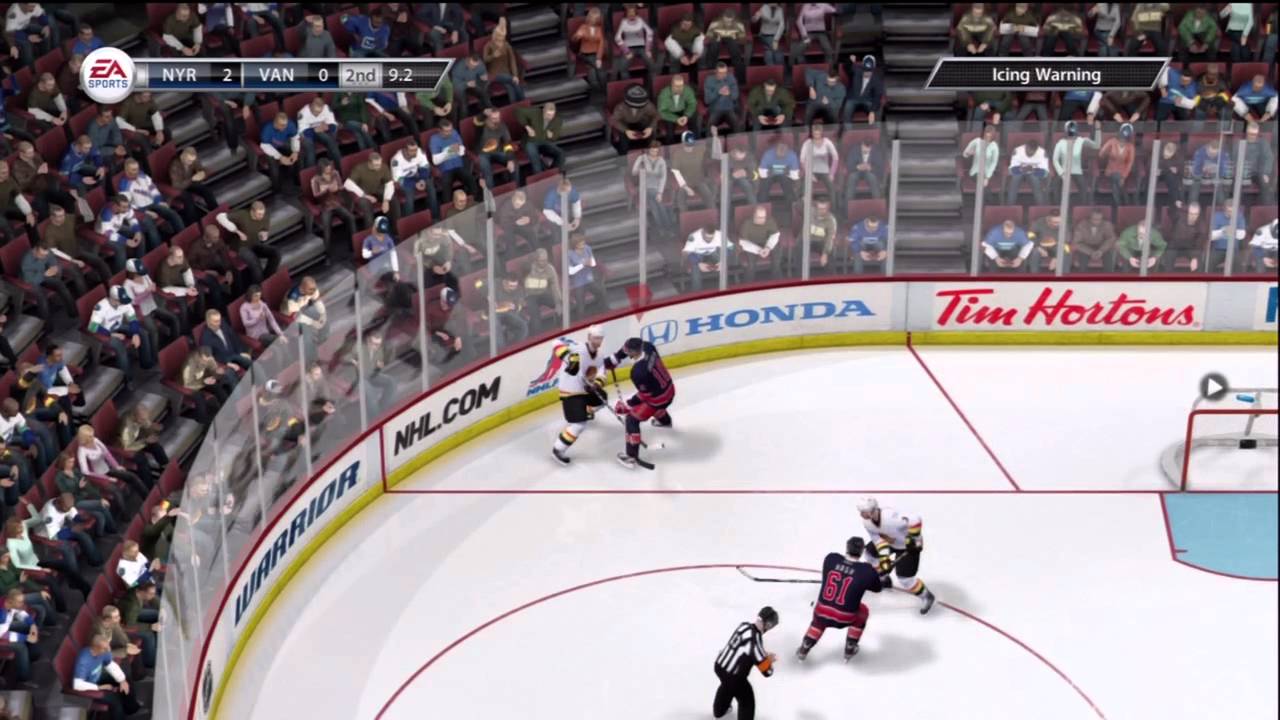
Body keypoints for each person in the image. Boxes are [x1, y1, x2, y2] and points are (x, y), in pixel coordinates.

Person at [795, 536, 884, 663]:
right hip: (845, 618)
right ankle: (850, 648)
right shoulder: (866, 571)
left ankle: (805, 647)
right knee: (863, 611)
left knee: (820, 618)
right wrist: (877, 574)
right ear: (861, 551)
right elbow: (878, 588)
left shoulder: (831, 559)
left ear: (847, 547)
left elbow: (842, 571)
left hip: (821, 612)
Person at [857, 497, 935, 613]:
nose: (861, 515)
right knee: (869, 553)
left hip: (908, 547)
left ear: (872, 510)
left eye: (864, 512)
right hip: (891, 543)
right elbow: (878, 540)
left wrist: (914, 538)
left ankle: (927, 596)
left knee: (905, 579)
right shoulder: (867, 523)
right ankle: (884, 579)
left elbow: (915, 519)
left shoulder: (890, 517)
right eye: (861, 512)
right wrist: (884, 559)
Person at [549, 326, 614, 465]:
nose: (598, 341)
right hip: (570, 391)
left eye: (600, 338)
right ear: (589, 337)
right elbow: (556, 342)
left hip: (585, 390)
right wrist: (569, 357)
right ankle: (558, 450)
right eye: (596, 338)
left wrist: (596, 384)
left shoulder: (600, 355)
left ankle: (587, 410)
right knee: (579, 425)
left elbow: (601, 372)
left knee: (602, 399)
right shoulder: (577, 348)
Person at [608, 337, 675, 469]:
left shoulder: (638, 372)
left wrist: (628, 405)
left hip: (659, 399)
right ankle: (665, 422)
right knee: (656, 399)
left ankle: (631, 457)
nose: (625, 351)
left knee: (631, 419)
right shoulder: (649, 347)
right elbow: (627, 350)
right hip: (670, 390)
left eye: (627, 350)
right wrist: (615, 359)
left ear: (633, 352)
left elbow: (646, 395)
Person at [712, 606, 778, 720]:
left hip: (719, 665)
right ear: (768, 625)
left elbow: (744, 647)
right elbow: (767, 671)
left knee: (726, 686)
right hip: (733, 676)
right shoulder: (755, 641)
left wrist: (762, 654)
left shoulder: (744, 626)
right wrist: (769, 660)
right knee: (746, 699)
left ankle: (719, 711)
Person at [6, 514, 91, 597]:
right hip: (32, 566)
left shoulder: (23, 526)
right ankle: (61, 606)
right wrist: (40, 569)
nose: (22, 531)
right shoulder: (11, 544)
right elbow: (18, 564)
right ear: (13, 531)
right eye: (19, 530)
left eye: (22, 528)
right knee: (52, 581)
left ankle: (84, 588)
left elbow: (37, 518)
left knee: (66, 566)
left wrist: (29, 506)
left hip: (38, 560)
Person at [89, 287, 154, 382]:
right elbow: (92, 327)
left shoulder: (125, 302)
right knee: (120, 346)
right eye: (120, 301)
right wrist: (111, 334)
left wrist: (135, 334)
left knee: (143, 333)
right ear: (113, 299)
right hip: (105, 332)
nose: (124, 303)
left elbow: (133, 319)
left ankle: (147, 364)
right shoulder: (101, 307)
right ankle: (127, 379)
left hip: (119, 325)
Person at [72, 633, 141, 720]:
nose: (108, 650)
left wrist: (122, 680)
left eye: (108, 646)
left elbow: (111, 665)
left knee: (126, 680)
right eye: (105, 648)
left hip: (97, 677)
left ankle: (131, 709)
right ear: (95, 648)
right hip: (88, 686)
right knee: (114, 699)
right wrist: (99, 687)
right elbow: (78, 685)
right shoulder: (83, 660)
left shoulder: (104, 652)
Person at [217, 201, 283, 286]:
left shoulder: (264, 217)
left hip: (255, 243)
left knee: (276, 253)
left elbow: (264, 231)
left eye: (262, 214)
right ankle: (259, 287)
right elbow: (220, 217)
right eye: (259, 214)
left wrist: (264, 235)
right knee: (255, 263)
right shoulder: (242, 215)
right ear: (252, 211)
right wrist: (236, 231)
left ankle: (267, 281)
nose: (261, 216)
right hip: (241, 247)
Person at [76, 425, 147, 500]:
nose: (93, 437)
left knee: (132, 477)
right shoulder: (81, 451)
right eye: (90, 436)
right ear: (85, 438)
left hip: (107, 468)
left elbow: (107, 454)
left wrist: (116, 466)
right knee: (116, 492)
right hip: (98, 475)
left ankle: (146, 497)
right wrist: (108, 478)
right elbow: (86, 472)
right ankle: (123, 508)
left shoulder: (96, 440)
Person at [21, 239, 82, 320]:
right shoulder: (27, 261)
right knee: (42, 297)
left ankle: (74, 313)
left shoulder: (46, 252)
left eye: (45, 255)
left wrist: (54, 267)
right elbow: (29, 279)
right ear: (35, 250)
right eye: (42, 255)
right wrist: (44, 275)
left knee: (60, 284)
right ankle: (46, 324)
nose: (44, 257)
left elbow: (52, 260)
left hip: (43, 274)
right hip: (30, 281)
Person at [117, 406, 168, 487]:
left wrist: (152, 426)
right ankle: (148, 485)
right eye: (143, 420)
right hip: (126, 444)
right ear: (135, 417)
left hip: (136, 437)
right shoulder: (126, 427)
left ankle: (165, 467)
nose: (145, 421)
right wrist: (145, 441)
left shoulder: (139, 418)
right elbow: (127, 446)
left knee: (156, 446)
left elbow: (145, 424)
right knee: (142, 460)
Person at [0, 587, 41, 687]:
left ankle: (33, 656)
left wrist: (32, 625)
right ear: (10, 601)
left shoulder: (9, 603)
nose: (22, 604)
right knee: (21, 647)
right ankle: (23, 679)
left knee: (27, 627)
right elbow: (3, 635)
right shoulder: (1, 615)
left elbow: (21, 613)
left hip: (4, 628)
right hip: (1, 634)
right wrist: (25, 638)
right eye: (20, 602)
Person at [167, 146, 218, 224]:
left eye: (192, 160)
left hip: (190, 182)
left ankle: (216, 213)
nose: (191, 163)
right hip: (180, 186)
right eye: (189, 161)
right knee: (188, 199)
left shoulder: (193, 159)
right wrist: (192, 179)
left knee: (206, 190)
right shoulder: (174, 166)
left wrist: (202, 173)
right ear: (182, 157)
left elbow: (201, 168)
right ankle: (193, 222)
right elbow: (176, 185)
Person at [472, 108, 519, 191]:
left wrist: (509, 159)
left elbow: (507, 143)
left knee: (514, 163)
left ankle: (516, 190)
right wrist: (483, 113)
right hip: (483, 154)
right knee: (487, 174)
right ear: (488, 118)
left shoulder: (502, 126)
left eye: (498, 118)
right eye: (494, 118)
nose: (497, 120)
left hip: (498, 151)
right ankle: (491, 196)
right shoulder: (481, 127)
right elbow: (476, 121)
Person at [181, 345, 231, 422]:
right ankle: (202, 419)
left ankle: (228, 407)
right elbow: (187, 384)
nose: (205, 362)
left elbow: (213, 369)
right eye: (204, 360)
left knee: (217, 388)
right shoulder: (190, 363)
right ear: (199, 356)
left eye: (208, 360)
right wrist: (204, 382)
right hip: (190, 384)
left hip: (202, 380)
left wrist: (216, 374)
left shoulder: (209, 358)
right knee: (199, 397)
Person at [517, 102, 565, 174]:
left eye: (552, 115)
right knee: (536, 162)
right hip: (530, 141)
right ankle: (540, 174)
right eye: (548, 114)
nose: (550, 117)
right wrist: (527, 127)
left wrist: (552, 136)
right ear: (543, 111)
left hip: (543, 142)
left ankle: (554, 173)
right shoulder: (535, 113)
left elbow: (555, 136)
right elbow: (518, 112)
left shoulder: (557, 121)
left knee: (560, 153)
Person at [738, 205, 783, 282]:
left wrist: (768, 247)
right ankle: (748, 284)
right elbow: (743, 242)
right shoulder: (747, 224)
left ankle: (778, 282)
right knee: (751, 266)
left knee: (777, 261)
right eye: (759, 217)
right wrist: (758, 250)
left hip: (766, 243)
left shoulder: (770, 221)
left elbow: (775, 235)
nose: (762, 220)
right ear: (754, 216)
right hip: (752, 245)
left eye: (764, 217)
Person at [610, 84, 659, 153]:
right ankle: (624, 153)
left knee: (653, 129)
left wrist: (650, 128)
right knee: (622, 134)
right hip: (626, 123)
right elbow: (614, 120)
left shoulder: (648, 105)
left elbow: (655, 115)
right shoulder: (620, 107)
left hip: (641, 121)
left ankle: (652, 150)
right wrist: (626, 131)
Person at [523, 248, 562, 332]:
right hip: (530, 295)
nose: (544, 262)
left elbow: (555, 287)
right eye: (541, 260)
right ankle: (537, 334)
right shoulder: (528, 267)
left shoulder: (550, 269)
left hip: (543, 293)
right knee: (535, 317)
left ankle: (559, 329)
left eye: (546, 260)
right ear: (536, 260)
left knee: (561, 305)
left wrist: (558, 302)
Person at [611, 4, 655, 79]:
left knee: (652, 65)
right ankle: (628, 83)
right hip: (629, 48)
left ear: (636, 13)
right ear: (626, 14)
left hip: (642, 47)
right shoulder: (624, 22)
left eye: (633, 12)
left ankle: (651, 82)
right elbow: (617, 38)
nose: (631, 14)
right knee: (623, 67)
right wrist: (626, 51)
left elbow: (650, 32)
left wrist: (648, 49)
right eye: (629, 13)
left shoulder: (640, 20)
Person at [1098, 124, 1137, 207]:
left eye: (1125, 138)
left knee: (1116, 183)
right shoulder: (1112, 141)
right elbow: (1101, 153)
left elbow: (1129, 163)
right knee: (1117, 179)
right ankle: (1126, 204)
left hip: (1123, 172)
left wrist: (1123, 177)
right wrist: (1108, 154)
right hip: (1111, 170)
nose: (1122, 140)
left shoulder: (1131, 147)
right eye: (1122, 137)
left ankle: (1119, 205)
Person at [704, 8, 747, 77]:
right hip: (717, 37)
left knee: (734, 46)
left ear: (733, 19)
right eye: (725, 21)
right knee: (714, 45)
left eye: (730, 21)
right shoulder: (715, 23)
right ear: (722, 18)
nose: (727, 23)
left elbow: (743, 39)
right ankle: (711, 71)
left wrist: (736, 38)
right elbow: (708, 36)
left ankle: (739, 74)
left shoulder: (739, 24)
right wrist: (715, 37)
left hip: (732, 38)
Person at [962, 125, 1000, 202]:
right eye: (986, 136)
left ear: (992, 136)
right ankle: (991, 203)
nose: (987, 138)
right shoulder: (977, 141)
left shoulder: (994, 146)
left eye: (989, 137)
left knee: (983, 185)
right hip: (975, 171)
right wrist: (969, 153)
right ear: (984, 134)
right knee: (982, 184)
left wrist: (987, 177)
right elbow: (964, 154)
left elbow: (994, 163)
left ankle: (984, 203)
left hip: (988, 172)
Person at [1005, 138, 1048, 205]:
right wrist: (1021, 169)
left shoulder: (1042, 153)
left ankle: (1041, 207)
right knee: (1013, 184)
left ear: (1036, 149)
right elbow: (1011, 170)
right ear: (1025, 147)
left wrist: (1033, 170)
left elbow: (1045, 173)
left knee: (1037, 185)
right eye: (1027, 152)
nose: (1029, 154)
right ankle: (1010, 207)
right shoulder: (1017, 151)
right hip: (1019, 171)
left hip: (1034, 172)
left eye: (1032, 153)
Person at [684, 222, 725, 291]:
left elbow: (729, 248)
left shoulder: (718, 234)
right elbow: (687, 253)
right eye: (707, 238)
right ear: (702, 234)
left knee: (723, 262)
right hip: (697, 253)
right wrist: (698, 263)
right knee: (695, 266)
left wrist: (722, 260)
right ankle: (697, 291)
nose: (709, 240)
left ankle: (724, 289)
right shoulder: (693, 236)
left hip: (712, 252)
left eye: (711, 238)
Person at [703, 62, 742, 133]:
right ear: (716, 71)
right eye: (720, 73)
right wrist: (718, 92)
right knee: (709, 127)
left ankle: (737, 140)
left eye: (725, 73)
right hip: (715, 109)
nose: (723, 75)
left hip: (729, 108)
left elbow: (736, 95)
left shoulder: (731, 78)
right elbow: (707, 100)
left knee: (737, 126)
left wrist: (729, 93)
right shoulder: (709, 80)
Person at [664, 14, 704, 79]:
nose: (687, 26)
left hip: (689, 42)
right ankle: (674, 75)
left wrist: (697, 53)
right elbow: (668, 41)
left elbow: (700, 38)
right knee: (673, 57)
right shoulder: (674, 29)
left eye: (689, 25)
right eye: (684, 24)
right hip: (677, 43)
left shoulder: (696, 28)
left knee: (703, 53)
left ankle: (701, 74)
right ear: (681, 23)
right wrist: (680, 55)